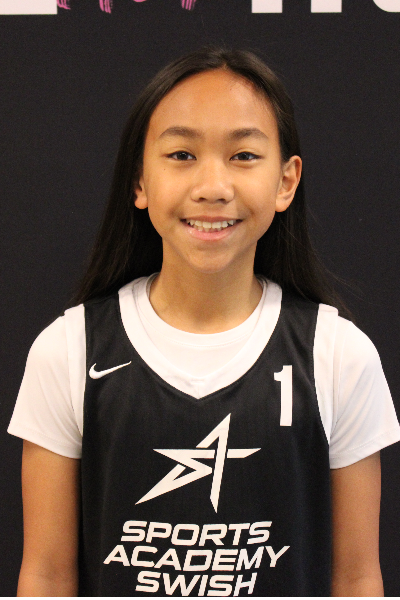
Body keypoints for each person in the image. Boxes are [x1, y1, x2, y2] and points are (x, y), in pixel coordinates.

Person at [8, 47, 400, 597]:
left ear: (286, 181)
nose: (213, 186)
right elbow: (47, 575)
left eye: (243, 155)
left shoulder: (338, 356)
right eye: (181, 154)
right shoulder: (69, 350)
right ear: (139, 180)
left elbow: (357, 577)